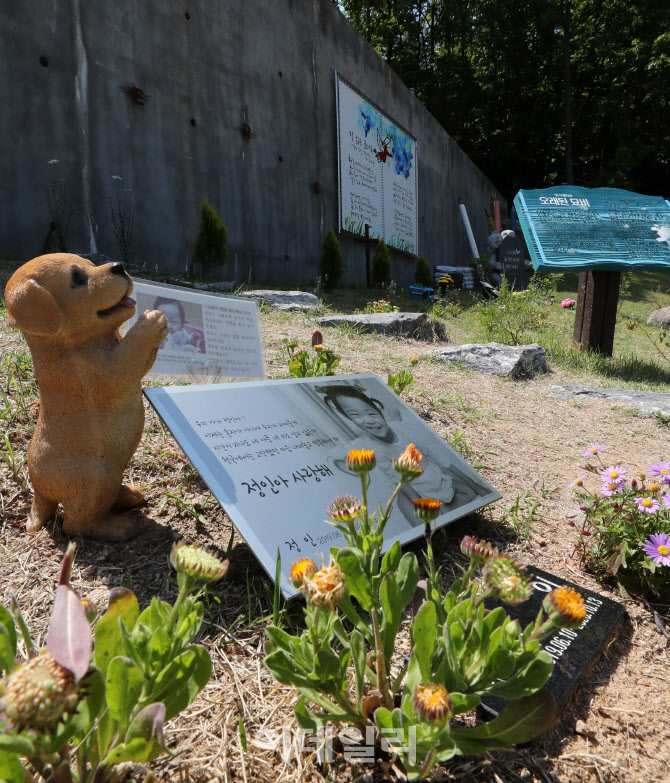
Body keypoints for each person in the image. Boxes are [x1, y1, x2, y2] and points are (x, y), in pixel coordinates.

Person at [322, 384, 483, 523]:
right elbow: (403, 485)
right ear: (350, 420)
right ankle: (441, 515)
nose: (368, 420)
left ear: (379, 410)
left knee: (468, 490)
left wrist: (473, 484)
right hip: (419, 492)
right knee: (411, 509)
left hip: (439, 481)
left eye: (371, 413)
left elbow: (440, 459)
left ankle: (450, 509)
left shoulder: (401, 428)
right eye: (355, 416)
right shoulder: (371, 448)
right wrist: (423, 506)